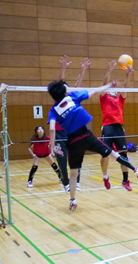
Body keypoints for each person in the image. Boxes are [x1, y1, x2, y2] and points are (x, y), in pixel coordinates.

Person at [47, 80, 138, 210]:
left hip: (72, 141)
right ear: (64, 90)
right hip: (86, 135)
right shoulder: (72, 97)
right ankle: (136, 170)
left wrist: (53, 145)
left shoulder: (53, 111)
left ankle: (72, 200)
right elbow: (94, 91)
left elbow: (52, 129)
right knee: (113, 154)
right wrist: (108, 86)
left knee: (73, 173)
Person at [56, 55, 91, 192]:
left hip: (72, 132)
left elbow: (79, 83)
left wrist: (83, 70)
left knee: (76, 157)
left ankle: (76, 182)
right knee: (62, 160)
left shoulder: (73, 97)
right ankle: (66, 183)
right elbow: (60, 82)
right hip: (59, 132)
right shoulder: (58, 98)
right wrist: (63, 68)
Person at [99, 60, 134, 191]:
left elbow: (125, 88)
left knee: (123, 155)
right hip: (107, 128)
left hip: (119, 128)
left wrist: (128, 75)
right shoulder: (104, 98)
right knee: (105, 155)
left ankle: (125, 180)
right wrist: (109, 71)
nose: (113, 89)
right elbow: (103, 86)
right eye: (111, 88)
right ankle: (105, 176)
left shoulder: (120, 99)